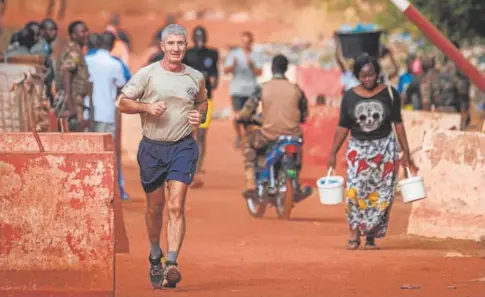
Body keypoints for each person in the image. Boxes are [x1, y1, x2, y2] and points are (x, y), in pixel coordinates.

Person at [116, 24, 207, 289]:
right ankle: (155, 253)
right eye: (172, 44)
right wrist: (146, 107)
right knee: (155, 207)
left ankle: (171, 263)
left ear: (185, 46)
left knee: (176, 205)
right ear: (163, 47)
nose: (177, 48)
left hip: (182, 146)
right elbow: (122, 102)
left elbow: (202, 102)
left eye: (181, 44)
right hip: (153, 148)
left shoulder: (195, 77)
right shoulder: (147, 74)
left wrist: (199, 116)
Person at [327, 55, 416, 250]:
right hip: (358, 150)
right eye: (363, 76)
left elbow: (398, 124)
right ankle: (354, 234)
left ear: (378, 74)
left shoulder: (390, 94)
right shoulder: (349, 96)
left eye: (371, 75)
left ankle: (370, 237)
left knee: (381, 194)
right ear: (357, 76)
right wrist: (333, 152)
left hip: (385, 150)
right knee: (354, 192)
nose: (368, 79)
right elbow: (343, 127)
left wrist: (405, 153)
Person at [237, 54, 312, 200]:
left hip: (270, 135)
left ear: (272, 69)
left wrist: (245, 118)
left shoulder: (263, 88)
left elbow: (246, 112)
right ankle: (295, 181)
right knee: (295, 159)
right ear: (286, 69)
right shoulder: (296, 89)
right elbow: (304, 114)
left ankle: (251, 184)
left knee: (249, 143)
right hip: (293, 136)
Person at [86, 31, 129, 200]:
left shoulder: (87, 61)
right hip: (107, 113)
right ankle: (109, 190)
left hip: (88, 113)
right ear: (112, 46)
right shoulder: (115, 64)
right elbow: (122, 86)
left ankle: (90, 190)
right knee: (108, 153)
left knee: (88, 152)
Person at [182, 25, 219, 177]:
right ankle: (188, 163)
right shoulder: (188, 54)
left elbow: (215, 73)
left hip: (206, 99)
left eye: (202, 38)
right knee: (189, 133)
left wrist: (214, 82)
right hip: (190, 99)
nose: (200, 41)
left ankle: (198, 167)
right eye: (197, 38)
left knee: (202, 134)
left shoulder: (212, 53)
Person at [223, 31, 263, 149]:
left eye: (248, 42)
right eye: (243, 41)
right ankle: (239, 137)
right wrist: (233, 66)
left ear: (251, 42)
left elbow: (260, 73)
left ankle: (248, 138)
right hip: (237, 89)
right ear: (241, 42)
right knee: (237, 115)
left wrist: (252, 66)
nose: (245, 44)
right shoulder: (234, 54)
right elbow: (226, 71)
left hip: (251, 90)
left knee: (250, 117)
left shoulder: (256, 55)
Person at [54, 20, 90, 132]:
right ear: (74, 35)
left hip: (75, 101)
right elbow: (66, 73)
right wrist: (70, 106)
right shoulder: (73, 50)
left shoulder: (75, 50)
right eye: (83, 32)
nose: (86, 34)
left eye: (86, 31)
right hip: (73, 102)